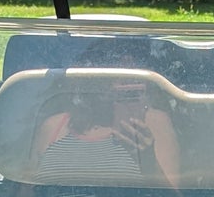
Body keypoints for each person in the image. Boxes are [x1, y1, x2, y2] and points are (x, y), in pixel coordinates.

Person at [32, 73, 181, 188]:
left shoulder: (154, 123)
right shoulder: (55, 126)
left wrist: (148, 160)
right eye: (105, 78)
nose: (111, 86)